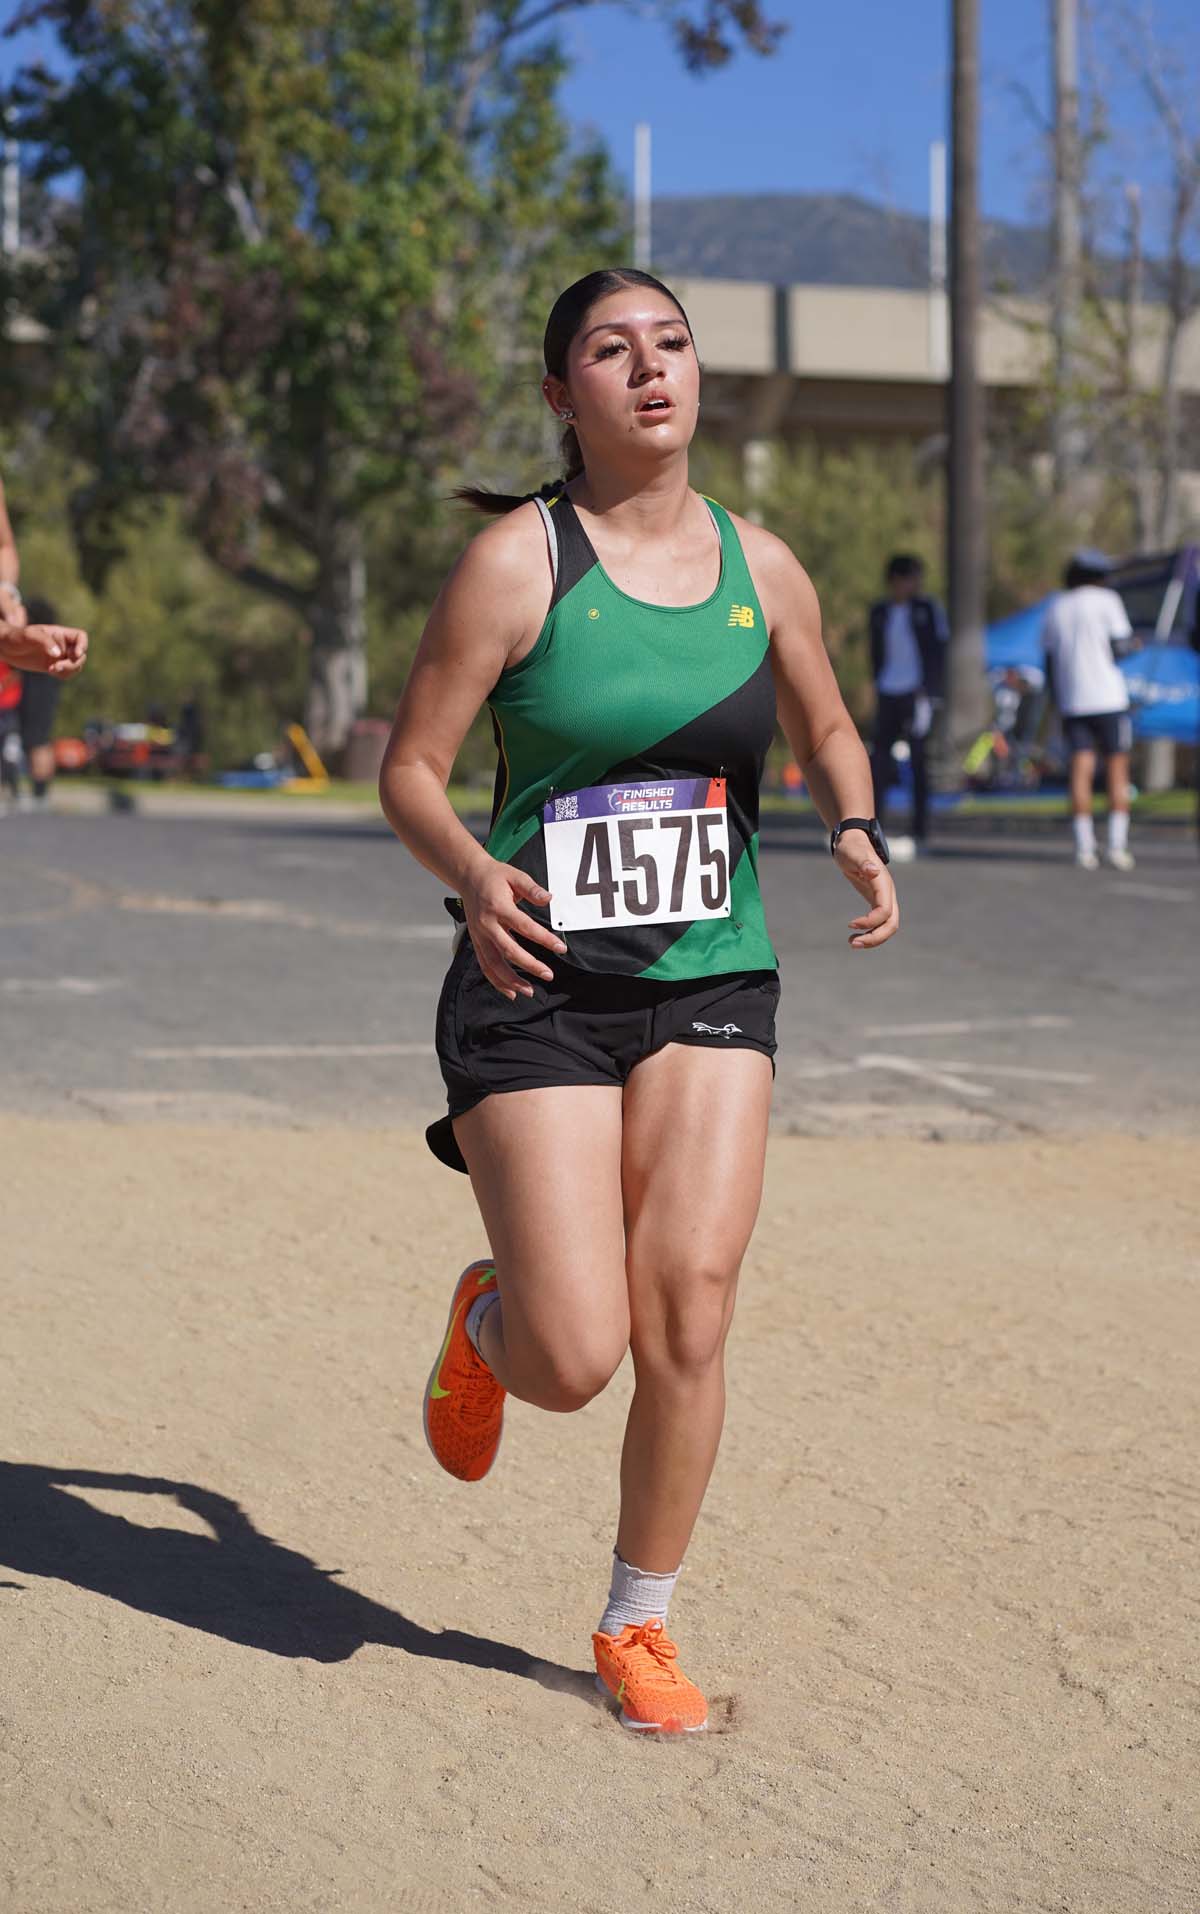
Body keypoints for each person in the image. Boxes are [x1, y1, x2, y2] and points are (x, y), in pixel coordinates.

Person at [378, 268, 900, 1735]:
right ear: (563, 396)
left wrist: (854, 822)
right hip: (533, 978)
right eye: (612, 352)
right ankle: (491, 1325)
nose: (650, 370)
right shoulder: (516, 564)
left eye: (671, 344)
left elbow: (829, 722)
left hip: (710, 973)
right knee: (575, 1353)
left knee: (692, 1307)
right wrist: (477, 877)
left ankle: (638, 1621)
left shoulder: (766, 565)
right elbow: (411, 768)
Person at [1041, 551, 1136, 871]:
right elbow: (1120, 647)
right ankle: (1117, 846)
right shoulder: (1108, 600)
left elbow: (1050, 661)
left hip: (1073, 701)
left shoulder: (1056, 606)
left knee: (1080, 770)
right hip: (1108, 699)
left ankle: (1084, 848)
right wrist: (1137, 644)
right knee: (1117, 769)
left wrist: (1058, 701)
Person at [867, 553, 949, 859]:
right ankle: (873, 829)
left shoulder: (927, 609)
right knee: (879, 762)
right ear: (895, 581)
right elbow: (875, 650)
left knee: (918, 762)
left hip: (916, 694)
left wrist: (932, 693)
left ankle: (920, 831)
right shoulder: (880, 612)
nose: (915, 585)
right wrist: (877, 681)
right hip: (888, 691)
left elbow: (938, 651)